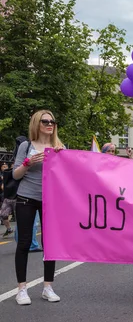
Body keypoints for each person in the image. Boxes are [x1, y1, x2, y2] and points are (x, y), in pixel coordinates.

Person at [12, 110, 64, 305]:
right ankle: (22, 289)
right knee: (24, 243)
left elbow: (65, 176)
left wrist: (61, 159)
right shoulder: (26, 146)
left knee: (49, 244)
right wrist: (28, 162)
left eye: (52, 121)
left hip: (50, 200)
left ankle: (48, 287)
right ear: (37, 123)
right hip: (26, 197)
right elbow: (16, 175)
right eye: (45, 121)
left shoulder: (59, 146)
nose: (50, 124)